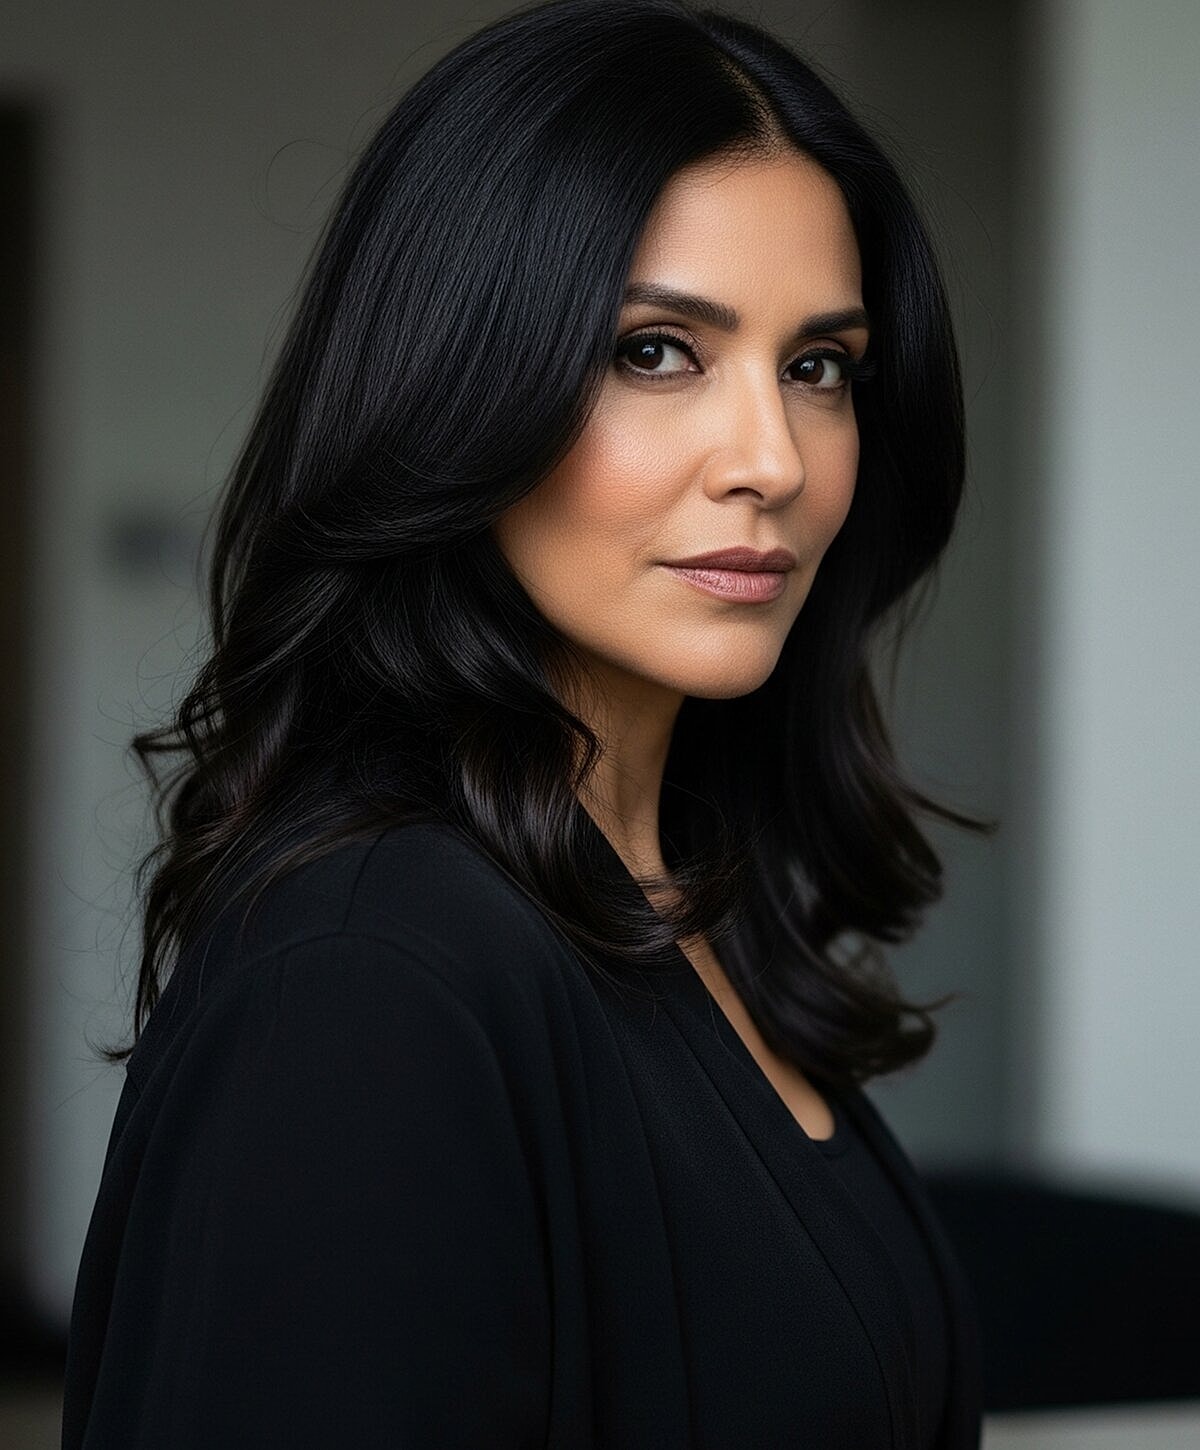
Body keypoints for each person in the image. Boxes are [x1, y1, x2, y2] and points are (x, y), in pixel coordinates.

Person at [62, 0, 989, 1444]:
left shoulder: (681, 900)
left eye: (820, 367)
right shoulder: (369, 978)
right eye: (658, 351)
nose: (772, 458)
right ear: (456, 383)